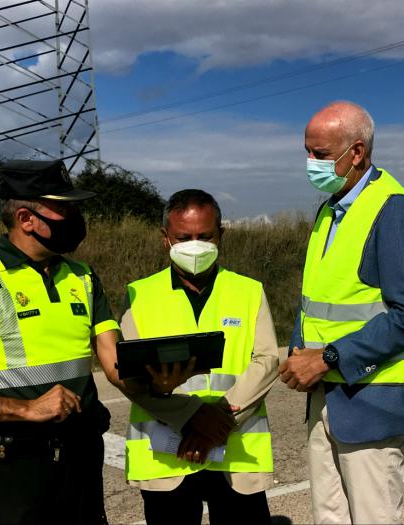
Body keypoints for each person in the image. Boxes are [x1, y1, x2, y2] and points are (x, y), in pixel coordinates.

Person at [279, 101, 404, 524]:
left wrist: (328, 357)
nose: (311, 163)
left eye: (322, 155)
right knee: (329, 517)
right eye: (307, 152)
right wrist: (298, 351)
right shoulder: (330, 208)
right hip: (323, 396)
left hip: (372, 403)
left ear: (358, 152)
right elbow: (315, 298)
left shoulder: (395, 211)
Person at [0, 159, 120, 524]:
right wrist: (24, 409)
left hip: (81, 463)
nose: (74, 215)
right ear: (25, 218)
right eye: (63, 207)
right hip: (10, 472)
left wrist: (161, 379)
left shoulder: (83, 276)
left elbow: (115, 361)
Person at [109, 189, 279, 525]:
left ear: (222, 235)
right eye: (184, 237)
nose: (195, 245)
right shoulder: (139, 294)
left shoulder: (248, 290)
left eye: (205, 236)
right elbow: (129, 375)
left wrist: (218, 422)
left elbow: (267, 361)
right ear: (165, 238)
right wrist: (191, 417)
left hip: (234, 449)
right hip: (165, 455)